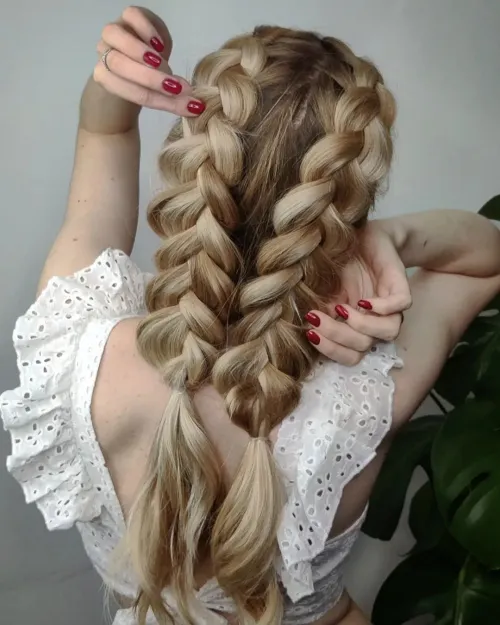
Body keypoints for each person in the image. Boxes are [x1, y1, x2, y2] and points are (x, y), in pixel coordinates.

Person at [2, 6, 500, 625]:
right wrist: (392, 238)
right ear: (342, 213)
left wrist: (127, 62)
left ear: (194, 163)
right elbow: (485, 259)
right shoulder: (366, 394)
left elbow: (105, 134)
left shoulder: (77, 351)